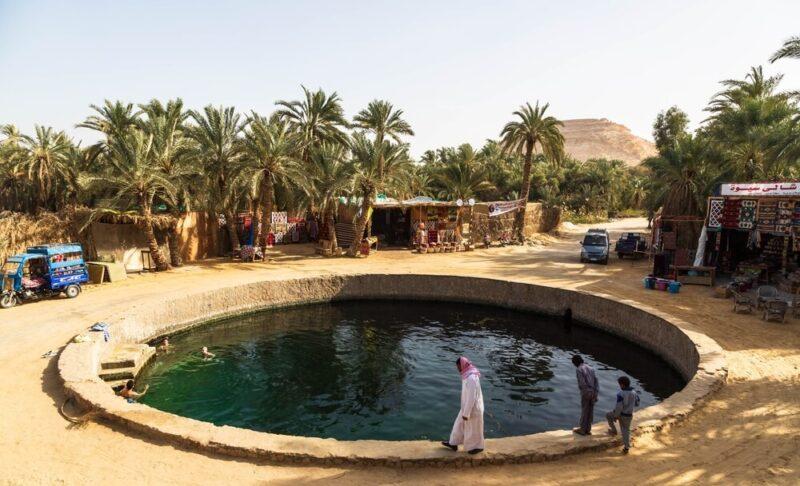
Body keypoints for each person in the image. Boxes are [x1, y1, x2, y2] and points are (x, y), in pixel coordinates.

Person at [442, 356, 485, 454]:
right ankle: (453, 443)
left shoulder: (471, 378)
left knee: (475, 429)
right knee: (459, 424)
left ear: (462, 365)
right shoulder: (468, 374)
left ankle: (478, 446)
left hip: (473, 408)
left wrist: (466, 413)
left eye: (458, 367)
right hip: (466, 407)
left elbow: (471, 397)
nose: (458, 369)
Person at [606, 376, 640, 454]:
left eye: (620, 384)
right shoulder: (634, 392)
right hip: (629, 414)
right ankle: (626, 447)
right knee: (626, 430)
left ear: (622, 385)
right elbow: (637, 403)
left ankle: (614, 431)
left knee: (608, 415)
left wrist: (616, 416)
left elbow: (619, 407)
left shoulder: (621, 394)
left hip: (622, 414)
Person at [572, 354, 599, 435]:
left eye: (574, 363)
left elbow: (582, 383)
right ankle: (588, 429)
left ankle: (582, 430)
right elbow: (596, 382)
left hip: (586, 392)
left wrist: (585, 393)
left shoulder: (579, 369)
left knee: (585, 410)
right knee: (591, 410)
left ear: (576, 363)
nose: (574, 365)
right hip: (594, 391)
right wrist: (595, 393)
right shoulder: (591, 368)